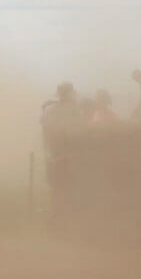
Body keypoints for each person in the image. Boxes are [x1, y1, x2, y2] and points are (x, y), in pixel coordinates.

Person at [41, 82, 84, 222]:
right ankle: (65, 216)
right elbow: (78, 132)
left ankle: (57, 216)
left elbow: (45, 133)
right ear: (70, 94)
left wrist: (48, 152)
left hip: (56, 153)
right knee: (68, 186)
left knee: (57, 187)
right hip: (69, 154)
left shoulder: (50, 110)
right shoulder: (75, 111)